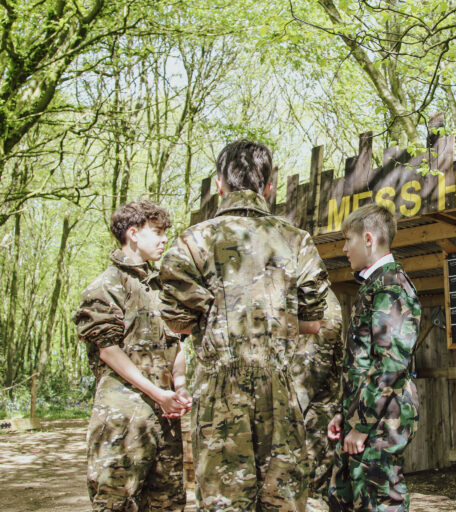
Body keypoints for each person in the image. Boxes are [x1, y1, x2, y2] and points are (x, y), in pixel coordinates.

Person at [158, 139, 329, 512]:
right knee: (284, 501)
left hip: (219, 395)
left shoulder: (191, 243)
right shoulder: (297, 242)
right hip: (281, 390)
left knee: (224, 504)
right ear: (269, 187)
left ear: (219, 184)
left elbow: (178, 324)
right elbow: (313, 324)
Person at [73, 200, 190, 512]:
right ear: (134, 234)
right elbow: (108, 350)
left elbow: (176, 344)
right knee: (116, 502)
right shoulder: (105, 286)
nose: (165, 239)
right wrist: (157, 393)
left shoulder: (163, 288)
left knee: (168, 503)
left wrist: (180, 387)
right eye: (158, 232)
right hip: (123, 420)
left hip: (165, 418)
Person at [327, 203, 421, 512]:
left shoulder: (391, 286)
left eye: (347, 240)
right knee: (346, 499)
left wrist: (362, 425)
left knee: (379, 503)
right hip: (365, 419)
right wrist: (347, 415)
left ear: (368, 239)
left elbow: (391, 365)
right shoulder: (374, 284)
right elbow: (363, 362)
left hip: (381, 422)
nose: (343, 249)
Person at [289, 288, 343, 509]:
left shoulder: (319, 302)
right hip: (301, 417)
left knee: (310, 496)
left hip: (310, 421)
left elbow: (306, 377)